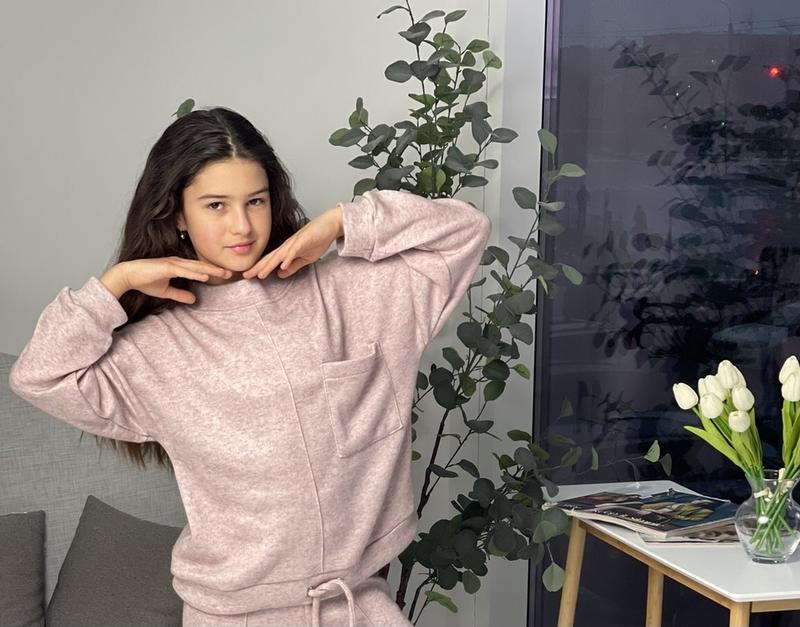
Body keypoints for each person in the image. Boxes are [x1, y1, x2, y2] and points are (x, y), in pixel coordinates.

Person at [9, 106, 492, 626]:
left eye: (255, 201)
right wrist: (116, 283)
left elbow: (464, 229)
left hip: (358, 607)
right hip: (231, 616)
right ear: (177, 215)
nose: (241, 226)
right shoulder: (155, 350)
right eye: (216, 205)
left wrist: (340, 222)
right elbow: (40, 374)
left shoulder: (353, 292)